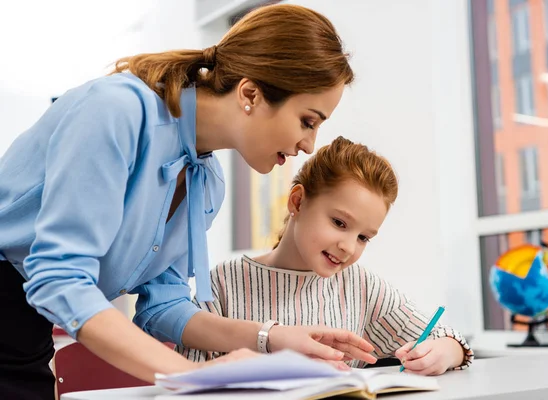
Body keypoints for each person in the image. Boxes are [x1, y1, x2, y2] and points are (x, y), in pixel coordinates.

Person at [0, 5, 377, 400]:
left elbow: (162, 305)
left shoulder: (207, 183)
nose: (308, 144)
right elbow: (58, 276)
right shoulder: (117, 111)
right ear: (250, 93)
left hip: (24, 331)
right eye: (308, 121)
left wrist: (270, 336)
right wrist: (191, 374)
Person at [176, 136, 475, 375]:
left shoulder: (360, 286)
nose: (348, 246)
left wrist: (446, 351)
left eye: (363, 237)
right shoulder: (222, 283)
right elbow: (187, 374)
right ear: (298, 201)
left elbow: (445, 336)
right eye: (339, 223)